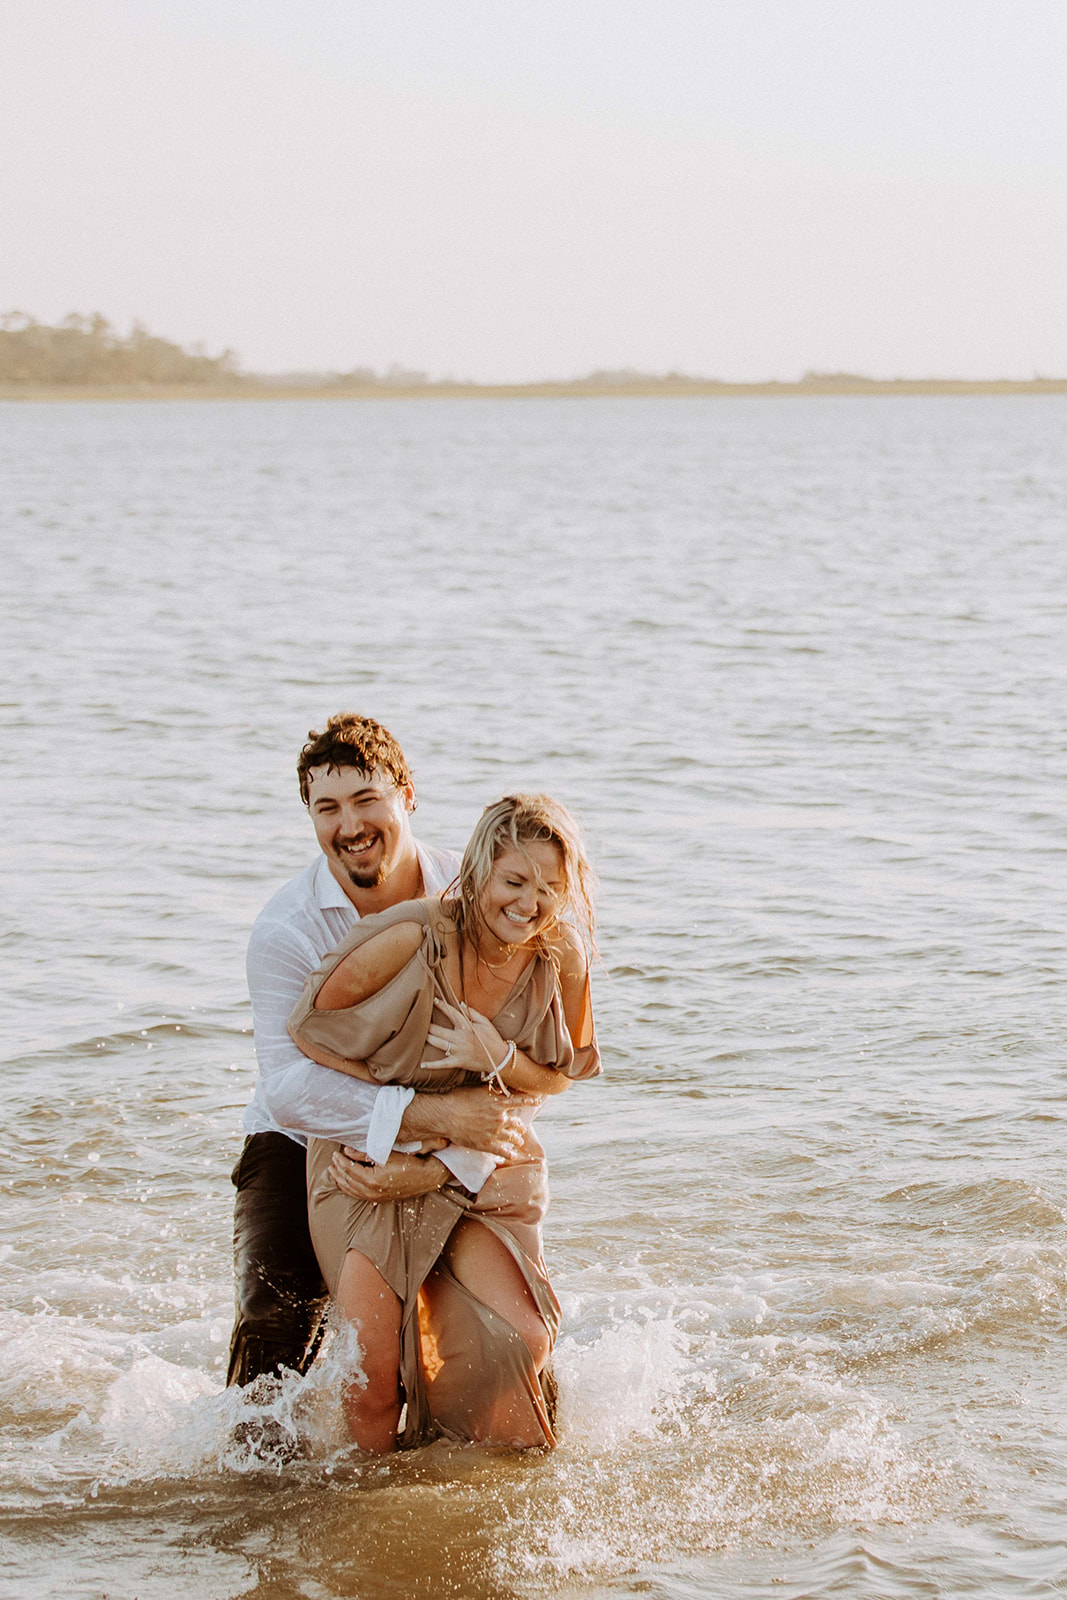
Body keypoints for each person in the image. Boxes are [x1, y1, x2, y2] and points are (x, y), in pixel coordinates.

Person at [288, 793, 599, 1452]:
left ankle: (470, 1493)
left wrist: (498, 1057)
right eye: (514, 881)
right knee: (374, 1381)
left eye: (548, 887)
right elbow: (307, 1032)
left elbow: (560, 1073)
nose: (529, 903)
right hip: (369, 1161)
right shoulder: (410, 935)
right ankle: (366, 1519)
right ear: (478, 870)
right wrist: (403, 1127)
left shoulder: (559, 954)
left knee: (517, 1339)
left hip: (485, 1155)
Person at [229, 714, 529, 1389]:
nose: (350, 824)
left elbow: (523, 1061)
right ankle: (255, 1489)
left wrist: (447, 1159)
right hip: (299, 1136)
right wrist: (438, 1120)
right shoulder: (287, 927)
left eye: (367, 799)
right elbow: (288, 1088)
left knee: (501, 1338)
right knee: (274, 1325)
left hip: (456, 1133)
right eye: (327, 807)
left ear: (407, 795)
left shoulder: (473, 895)